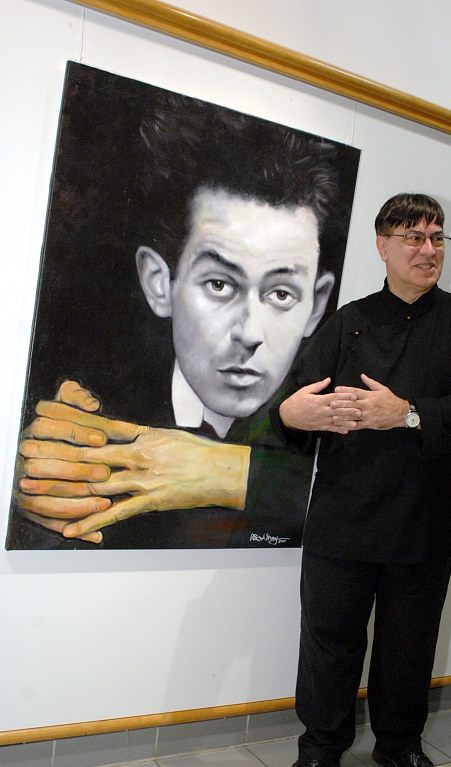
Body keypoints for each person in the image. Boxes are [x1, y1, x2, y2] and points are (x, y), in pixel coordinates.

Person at [9, 79, 359, 550]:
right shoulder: (94, 408)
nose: (249, 333)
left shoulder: (343, 412)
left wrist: (226, 472)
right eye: (220, 285)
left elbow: (377, 507)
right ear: (160, 283)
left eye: (280, 293)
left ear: (316, 304)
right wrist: (27, 486)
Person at [270, 193, 451, 767]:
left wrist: (407, 413)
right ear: (382, 245)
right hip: (342, 519)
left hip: (424, 520)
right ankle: (319, 752)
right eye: (413, 238)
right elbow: (291, 405)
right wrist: (293, 414)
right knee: (329, 645)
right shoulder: (346, 322)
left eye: (437, 237)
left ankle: (400, 744)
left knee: (409, 647)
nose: (428, 250)